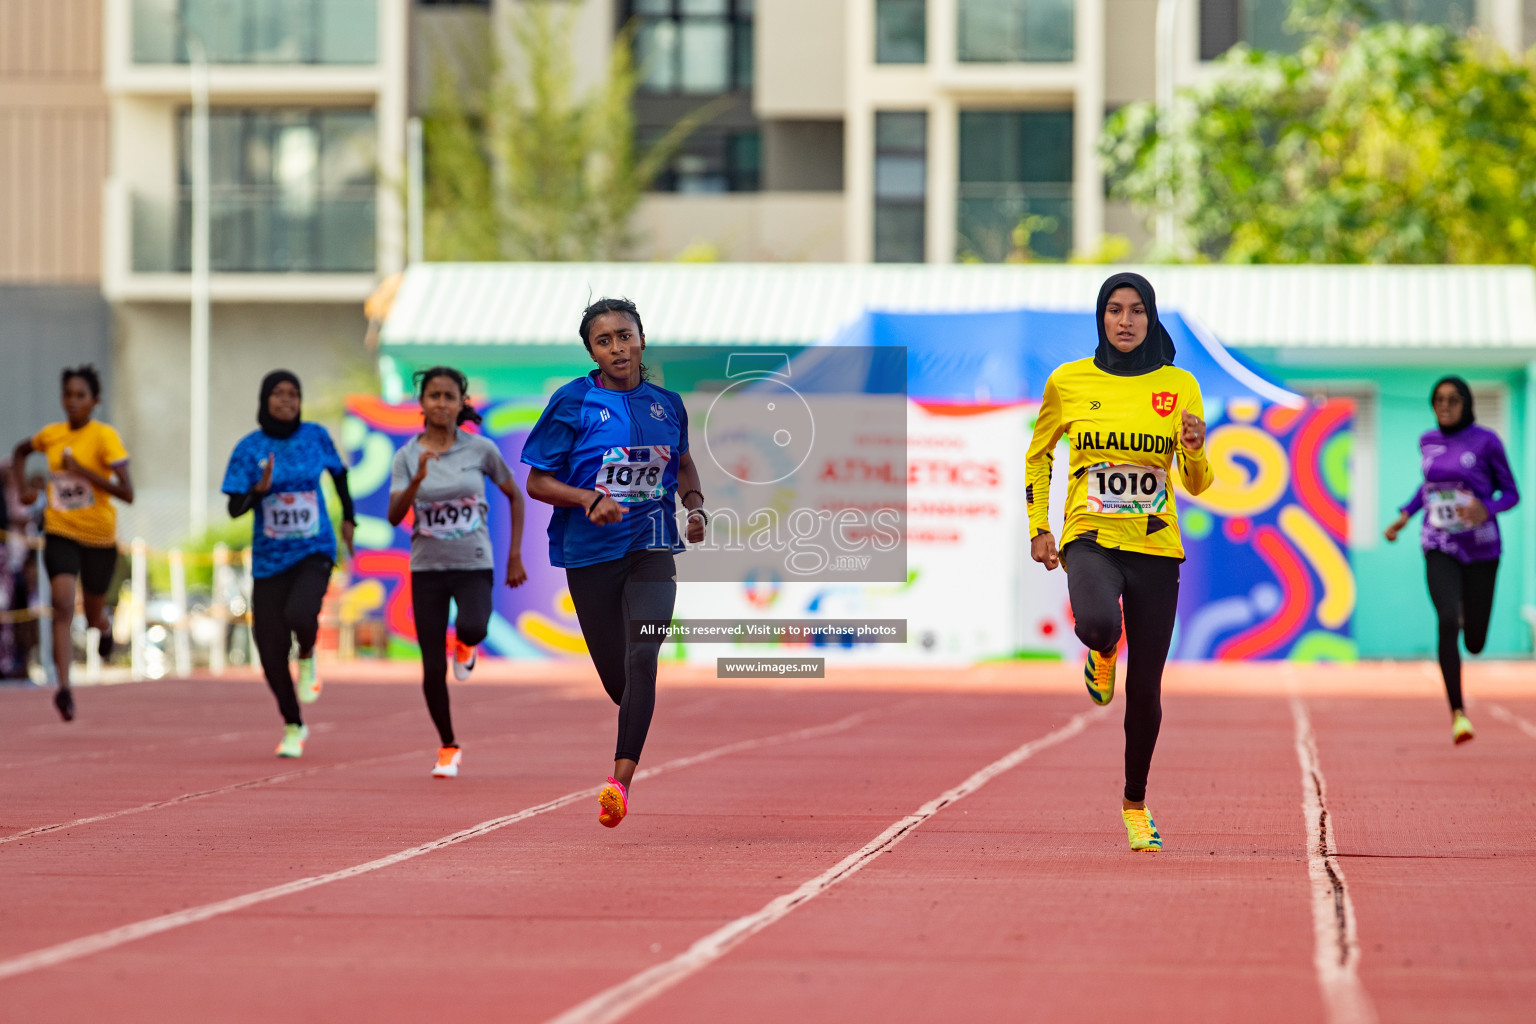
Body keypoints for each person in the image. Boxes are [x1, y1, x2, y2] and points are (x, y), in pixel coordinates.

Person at [1026, 273, 1212, 852]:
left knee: (1147, 689)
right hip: (1091, 536)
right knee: (1100, 624)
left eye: (1136, 311)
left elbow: (1198, 484)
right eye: (1114, 310)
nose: (1125, 321)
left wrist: (1196, 446)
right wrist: (1040, 528)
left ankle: (1135, 803)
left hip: (1157, 546)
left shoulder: (1180, 385)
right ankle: (1102, 651)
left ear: (1151, 318)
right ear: (1101, 318)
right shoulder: (1070, 381)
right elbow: (1038, 456)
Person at [522, 298, 706, 828]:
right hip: (590, 554)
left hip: (651, 544)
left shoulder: (667, 404)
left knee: (644, 653)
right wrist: (587, 500)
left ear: (642, 338)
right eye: (605, 341)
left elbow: (686, 462)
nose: (618, 348)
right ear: (592, 352)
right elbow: (536, 481)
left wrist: (694, 508)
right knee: (620, 681)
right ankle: (635, 719)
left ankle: (618, 784)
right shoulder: (572, 402)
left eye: (625, 336)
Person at [388, 366, 528, 779]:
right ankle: (448, 745)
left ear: (460, 402)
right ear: (423, 403)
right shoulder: (407, 456)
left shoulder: (481, 449)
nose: (442, 404)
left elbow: (515, 496)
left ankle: (466, 645)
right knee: (432, 667)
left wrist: (514, 555)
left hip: (473, 563)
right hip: (427, 568)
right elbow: (395, 515)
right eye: (434, 396)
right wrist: (417, 480)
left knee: (473, 627)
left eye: (450, 396)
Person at [222, 371, 354, 758]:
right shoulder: (249, 448)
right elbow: (234, 509)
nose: (286, 400)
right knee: (269, 649)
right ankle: (294, 724)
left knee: (301, 613)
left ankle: (309, 653)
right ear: (265, 400)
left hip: (314, 547)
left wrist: (349, 517)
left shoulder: (315, 436)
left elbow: (340, 474)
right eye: (278, 394)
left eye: (293, 393)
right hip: (269, 559)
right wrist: (257, 491)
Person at [1384, 377, 1519, 744]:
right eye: (1438, 400)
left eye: (1452, 399)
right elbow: (1428, 488)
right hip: (1438, 542)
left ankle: (1465, 612)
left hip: (1482, 549)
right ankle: (1458, 714)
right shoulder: (1427, 441)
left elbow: (1511, 493)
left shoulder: (1486, 442)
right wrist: (1405, 515)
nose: (1444, 406)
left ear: (1467, 403)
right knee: (1446, 620)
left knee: (1474, 641)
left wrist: (1484, 508)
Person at [9, 365, 134, 721]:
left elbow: (128, 492)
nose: (73, 402)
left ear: (95, 401)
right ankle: (64, 688)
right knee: (63, 605)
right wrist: (25, 491)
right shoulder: (51, 435)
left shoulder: (105, 437)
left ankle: (104, 626)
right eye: (68, 395)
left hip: (99, 537)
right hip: (60, 531)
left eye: (81, 395)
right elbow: (19, 452)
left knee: (91, 614)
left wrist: (82, 471)